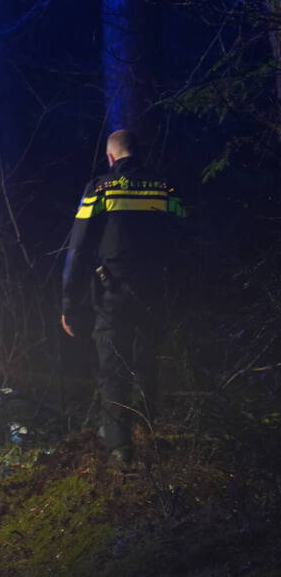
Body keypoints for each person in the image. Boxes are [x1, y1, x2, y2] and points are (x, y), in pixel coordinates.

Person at [61, 129, 187, 466]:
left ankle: (119, 447)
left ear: (112, 157)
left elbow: (79, 247)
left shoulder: (100, 188)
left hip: (112, 293)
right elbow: (184, 240)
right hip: (154, 292)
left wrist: (69, 303)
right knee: (147, 361)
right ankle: (150, 434)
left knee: (113, 366)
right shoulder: (164, 187)